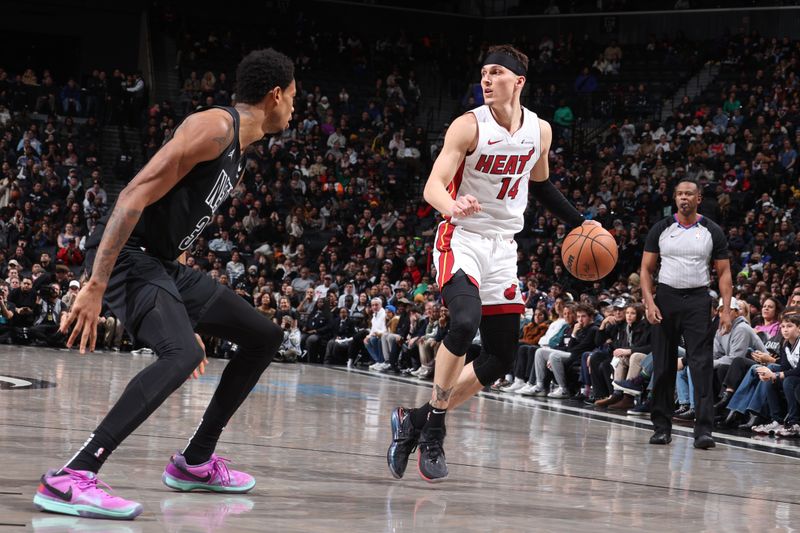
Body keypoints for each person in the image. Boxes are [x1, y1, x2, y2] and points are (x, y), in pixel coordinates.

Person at [33, 49, 296, 520]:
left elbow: (176, 227)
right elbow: (134, 193)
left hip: (160, 264)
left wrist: (178, 306)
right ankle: (72, 476)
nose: (295, 107)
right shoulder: (215, 127)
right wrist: (95, 283)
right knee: (183, 355)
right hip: (126, 257)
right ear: (275, 95)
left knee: (264, 337)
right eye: (294, 97)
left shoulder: (239, 149)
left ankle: (196, 462)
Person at [387, 44, 599, 483]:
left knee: (501, 355)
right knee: (464, 323)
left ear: (518, 81)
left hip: (503, 247)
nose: (486, 79)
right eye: (483, 72)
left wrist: (584, 224)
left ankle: (415, 419)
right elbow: (432, 186)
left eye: (496, 72)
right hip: (461, 237)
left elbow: (540, 187)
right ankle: (435, 430)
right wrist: (452, 205)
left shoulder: (539, 131)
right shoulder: (468, 126)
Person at [640, 177, 733, 450]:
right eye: (679, 194)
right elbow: (646, 269)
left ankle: (704, 431)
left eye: (689, 194)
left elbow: (724, 271)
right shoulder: (661, 228)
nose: (684, 198)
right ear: (674, 198)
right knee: (663, 366)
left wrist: (726, 309)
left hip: (698, 299)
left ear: (698, 199)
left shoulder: (711, 230)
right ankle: (661, 428)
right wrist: (649, 302)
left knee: (701, 366)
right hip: (666, 298)